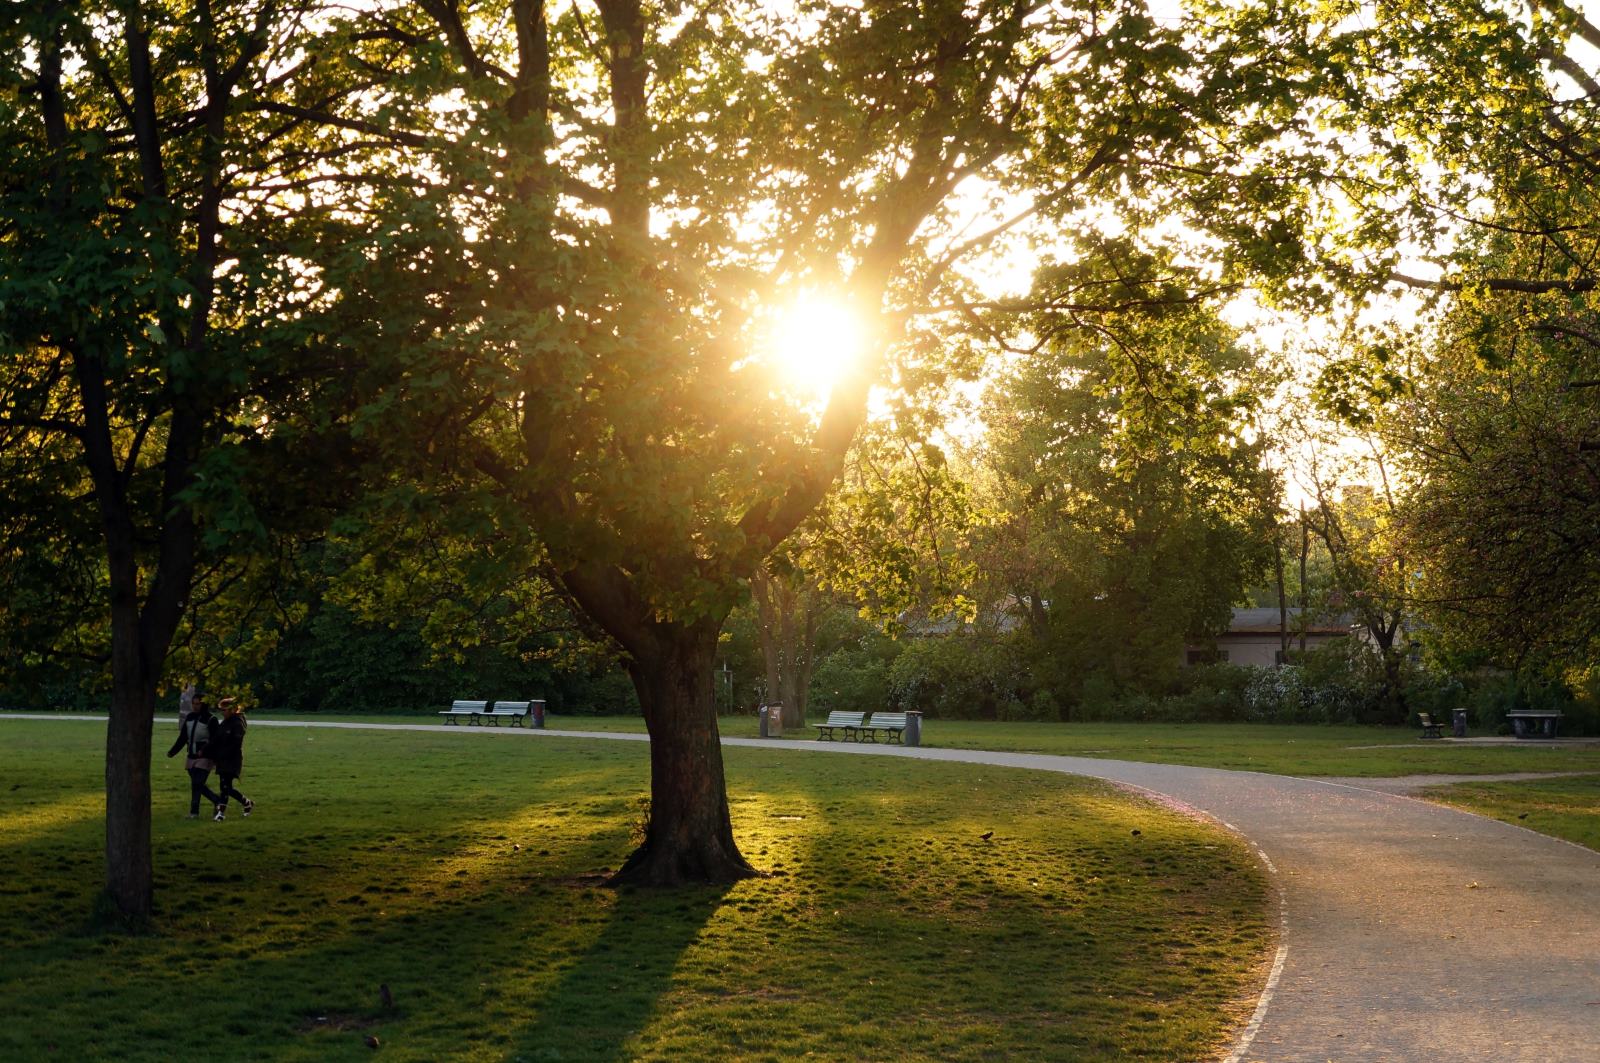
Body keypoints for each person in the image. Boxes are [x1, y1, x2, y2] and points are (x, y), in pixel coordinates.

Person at [167, 694, 222, 820]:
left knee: (197, 783)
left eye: (198, 703)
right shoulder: (190, 717)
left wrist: (205, 750)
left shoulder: (211, 719)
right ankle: (217, 800)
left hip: (206, 757)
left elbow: (216, 739)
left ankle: (194, 812)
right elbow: (183, 737)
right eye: (194, 703)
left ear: (204, 704)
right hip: (191, 756)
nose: (195, 706)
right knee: (197, 784)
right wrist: (173, 751)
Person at [210, 697, 254, 822]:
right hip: (222, 758)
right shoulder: (225, 722)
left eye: (224, 710)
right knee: (227, 787)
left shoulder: (237, 723)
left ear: (233, 709)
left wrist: (222, 753)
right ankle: (247, 803)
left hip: (231, 759)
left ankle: (221, 813)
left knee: (224, 786)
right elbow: (216, 739)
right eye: (221, 710)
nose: (222, 713)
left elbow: (236, 743)